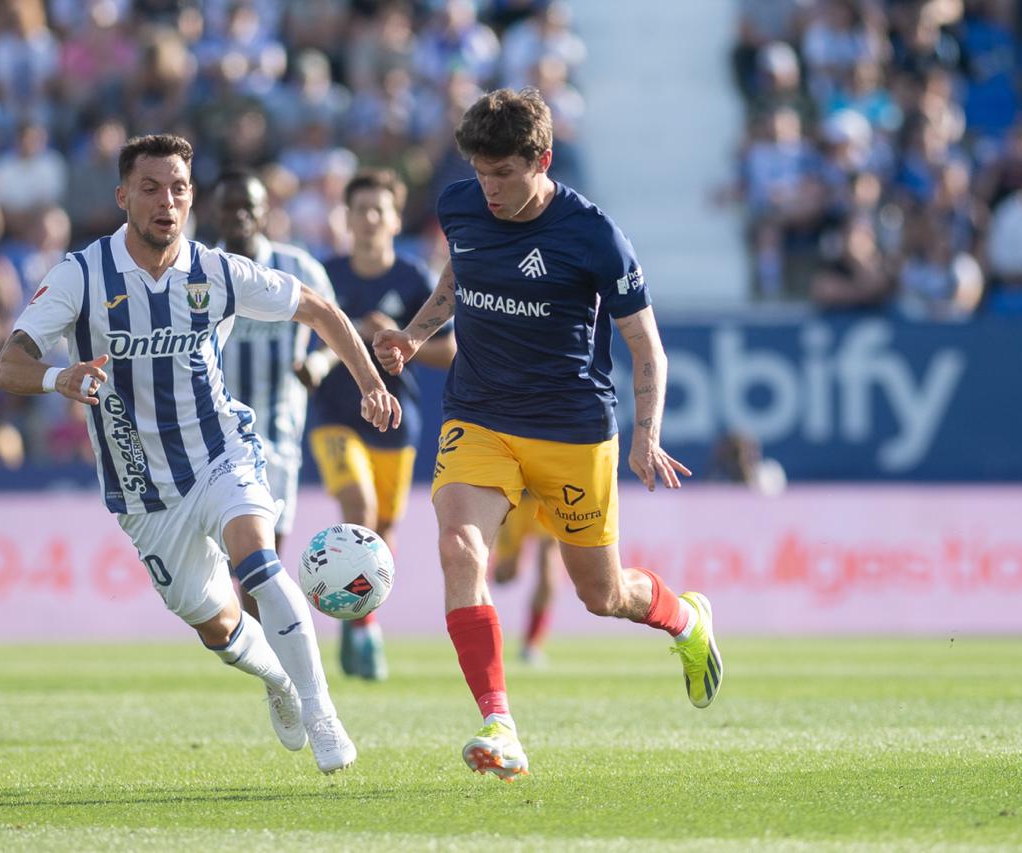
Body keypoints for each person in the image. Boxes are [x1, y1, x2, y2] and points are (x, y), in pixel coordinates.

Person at [0, 134, 401, 774]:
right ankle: (280, 681)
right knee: (216, 627)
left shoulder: (216, 271)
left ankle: (323, 714)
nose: (167, 201)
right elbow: (8, 364)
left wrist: (370, 383)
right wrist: (57, 377)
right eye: (151, 188)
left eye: (179, 189)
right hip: (142, 488)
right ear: (123, 196)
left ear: (191, 199)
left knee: (260, 564)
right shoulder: (82, 275)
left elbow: (320, 311)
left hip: (221, 452)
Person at [374, 88, 723, 782]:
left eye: (504, 173)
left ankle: (686, 621)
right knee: (459, 548)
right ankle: (498, 723)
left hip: (571, 430)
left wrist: (646, 435)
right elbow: (457, 278)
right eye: (481, 172)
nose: (490, 188)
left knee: (603, 595)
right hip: (478, 415)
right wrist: (413, 336)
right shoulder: (461, 205)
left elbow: (647, 348)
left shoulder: (594, 236)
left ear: (543, 160)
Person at [308, 168, 456, 681]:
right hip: (336, 415)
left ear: (395, 220)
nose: (370, 218)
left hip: (395, 421)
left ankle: (360, 621)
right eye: (360, 209)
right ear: (346, 218)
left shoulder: (414, 279)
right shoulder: (324, 275)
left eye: (380, 210)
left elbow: (448, 351)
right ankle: (360, 624)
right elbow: (306, 335)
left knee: (384, 530)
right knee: (360, 508)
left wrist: (400, 341)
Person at [211, 168, 336, 616]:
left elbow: (336, 331)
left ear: (266, 212)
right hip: (213, 440)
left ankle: (265, 650)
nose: (239, 216)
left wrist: (319, 363)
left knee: (261, 566)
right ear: (215, 213)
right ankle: (256, 644)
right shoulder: (196, 271)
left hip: (278, 436)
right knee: (228, 569)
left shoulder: (298, 268)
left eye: (249, 206)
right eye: (230, 207)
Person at [489, 492, 558, 667]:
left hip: (545, 496)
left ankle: (531, 644)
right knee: (505, 574)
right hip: (516, 497)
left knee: (548, 564)